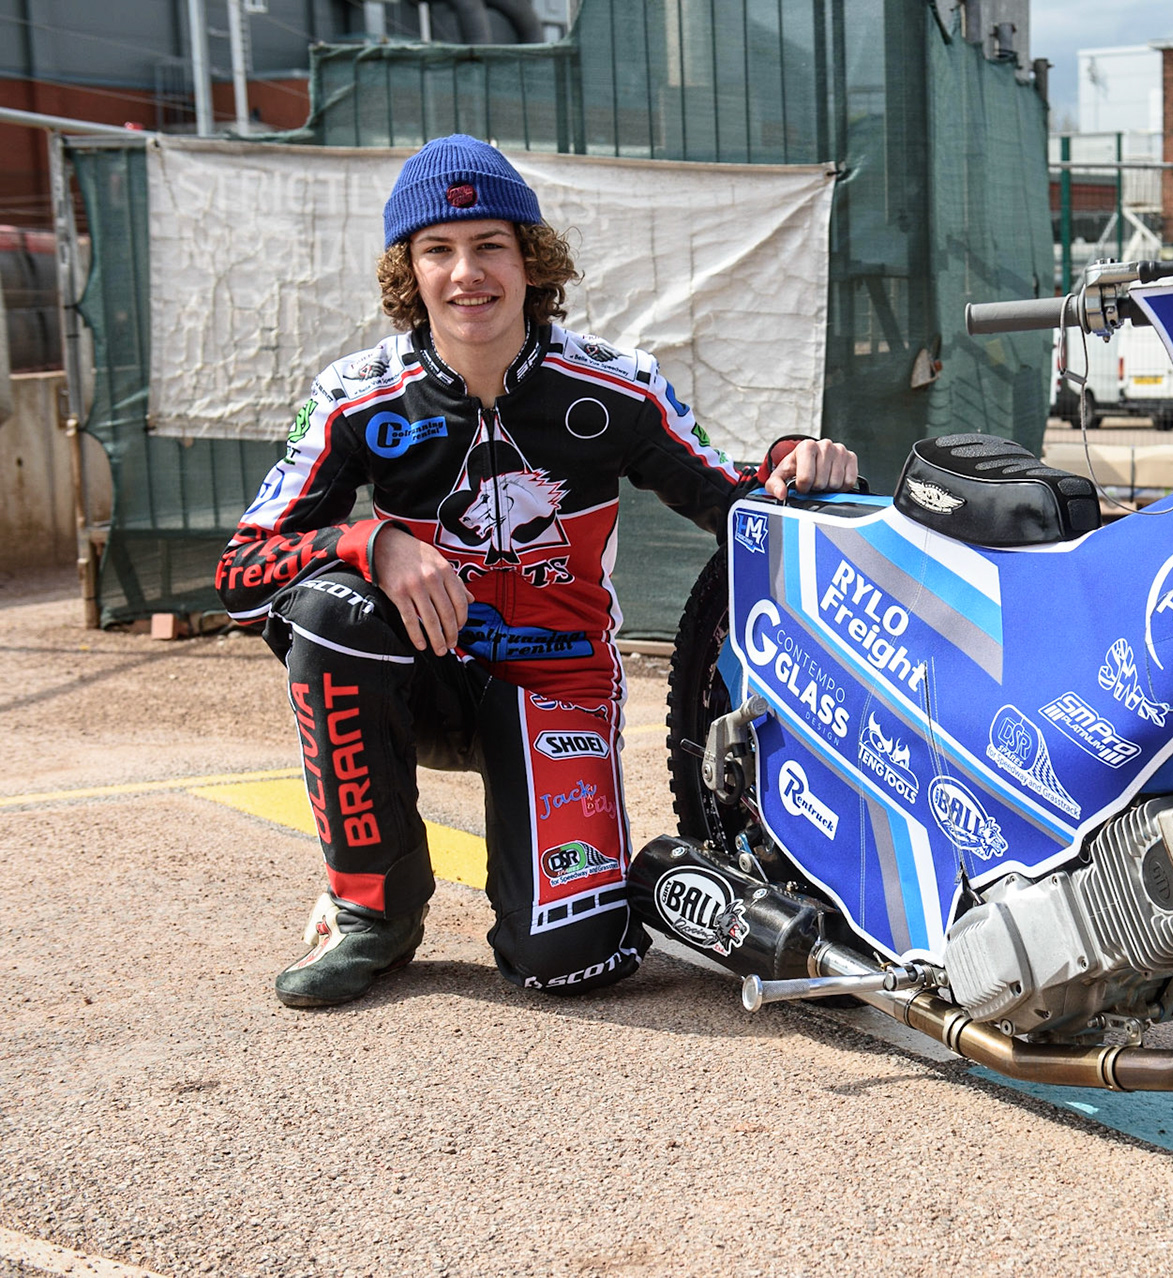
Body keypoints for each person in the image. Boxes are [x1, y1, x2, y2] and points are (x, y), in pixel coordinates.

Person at [216, 135, 858, 1008]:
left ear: (530, 261)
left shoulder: (617, 385)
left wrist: (797, 461)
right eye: (437, 251)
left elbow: (733, 501)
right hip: (420, 677)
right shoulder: (355, 395)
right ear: (410, 271)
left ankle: (592, 897)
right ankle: (373, 914)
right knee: (331, 613)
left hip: (554, 686)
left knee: (570, 962)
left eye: (490, 246)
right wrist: (370, 543)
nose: (465, 273)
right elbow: (242, 570)